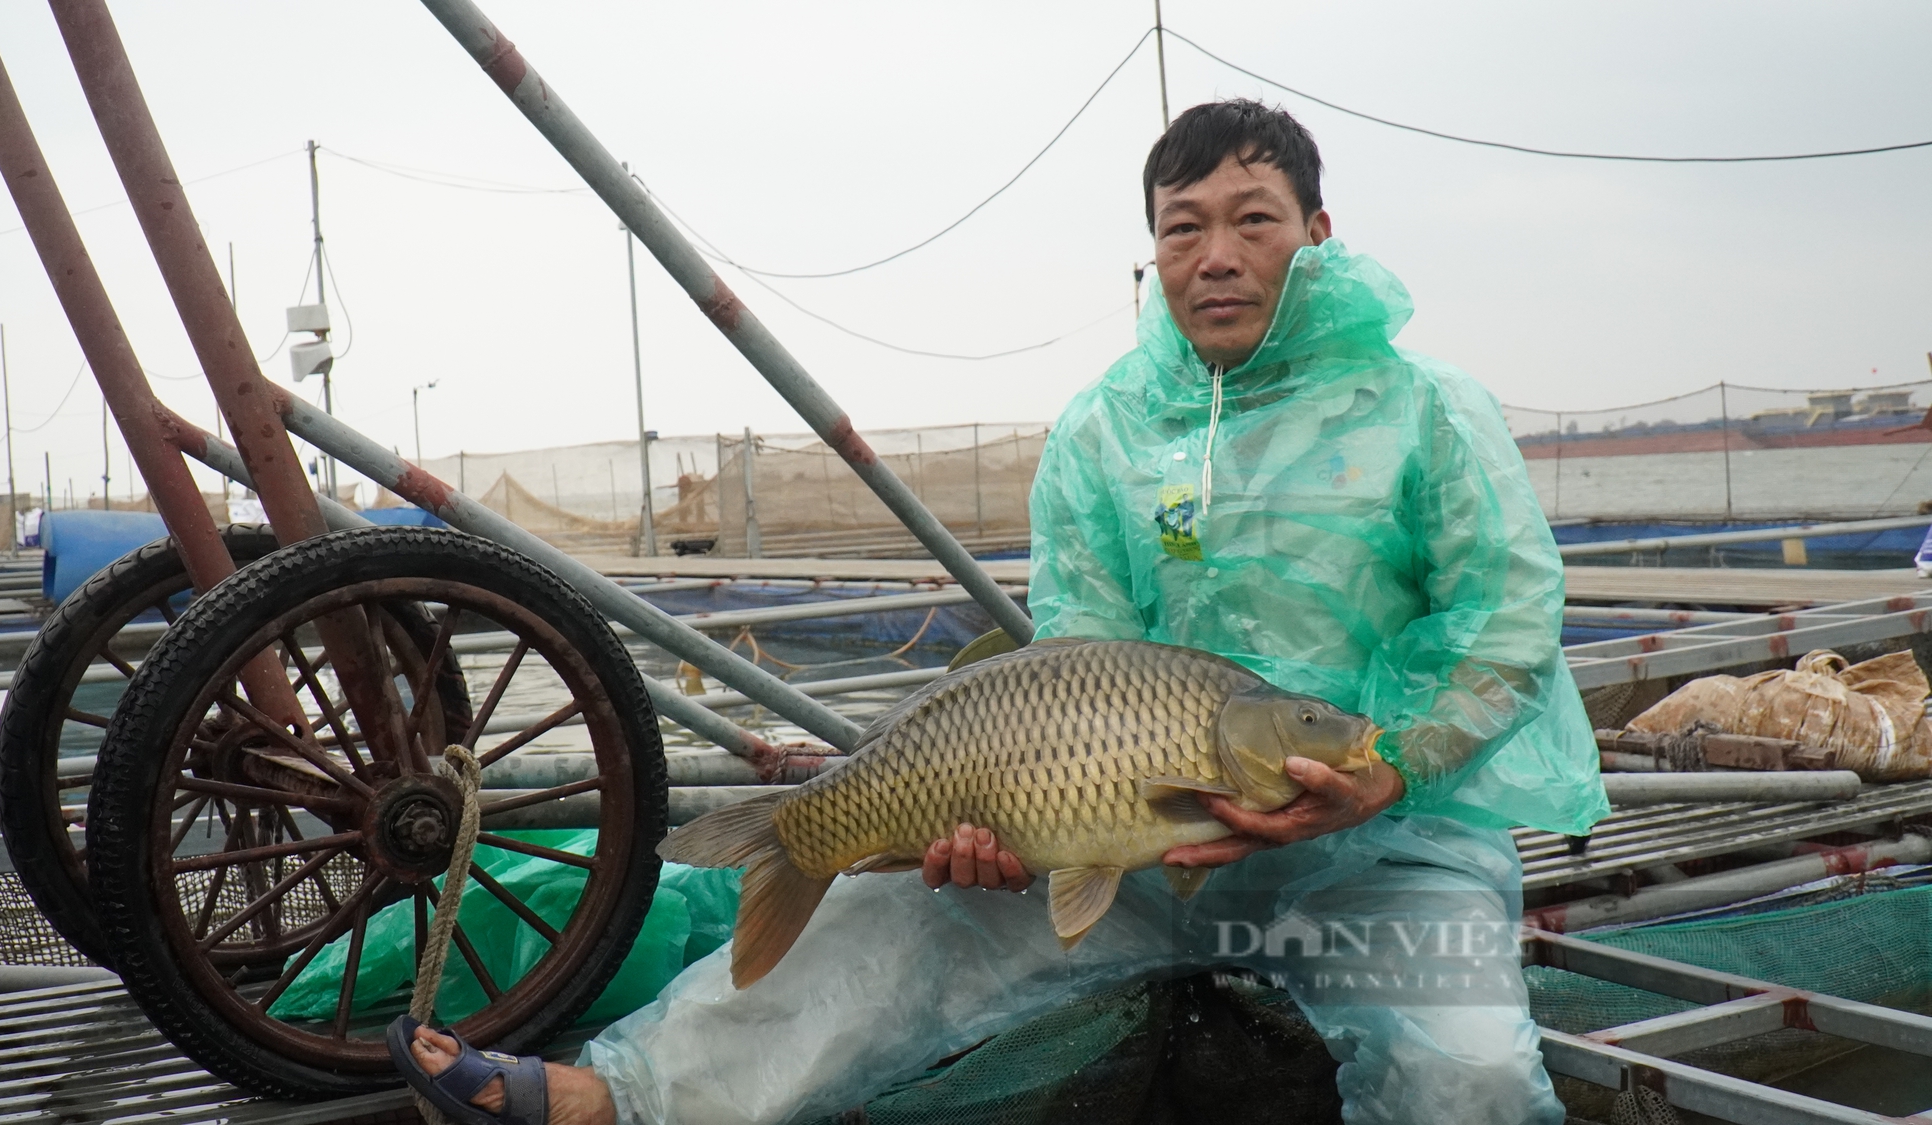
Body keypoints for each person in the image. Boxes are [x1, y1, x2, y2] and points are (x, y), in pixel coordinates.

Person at [396, 98, 1609, 1125]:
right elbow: (1075, 666)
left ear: (1318, 235)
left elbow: (1503, 630)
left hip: (1384, 859)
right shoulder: (1101, 431)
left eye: (1253, 221)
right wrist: (1000, 824)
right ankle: (624, 1095)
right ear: (1153, 255)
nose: (1217, 256)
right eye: (1182, 230)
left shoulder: (1427, 408)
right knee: (888, 921)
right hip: (1131, 854)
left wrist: (1389, 765)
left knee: (1471, 1074)